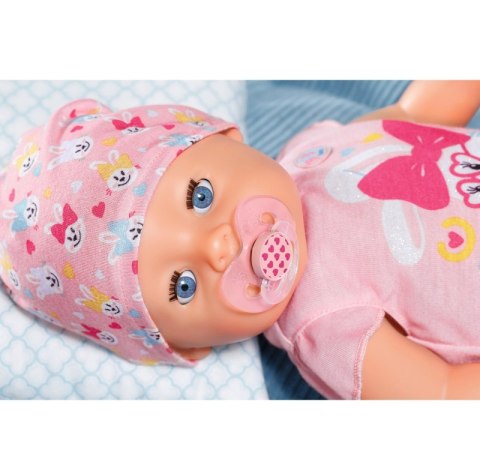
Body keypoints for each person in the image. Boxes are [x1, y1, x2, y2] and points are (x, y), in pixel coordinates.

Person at [2, 81, 480, 398]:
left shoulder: (311, 150)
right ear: (190, 345)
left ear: (223, 136)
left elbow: (415, 112)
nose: (217, 248)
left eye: (200, 196)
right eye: (183, 286)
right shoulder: (322, 327)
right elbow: (442, 394)